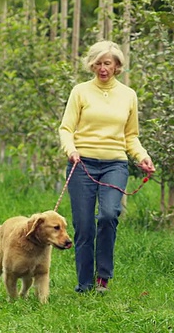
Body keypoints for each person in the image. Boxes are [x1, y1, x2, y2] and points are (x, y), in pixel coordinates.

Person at [58, 40, 155, 294]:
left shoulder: (128, 95)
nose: (103, 68)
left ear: (117, 66)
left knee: (110, 215)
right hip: (82, 164)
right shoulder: (80, 91)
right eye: (98, 63)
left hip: (115, 164)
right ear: (92, 65)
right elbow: (66, 128)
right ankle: (84, 284)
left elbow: (131, 135)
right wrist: (71, 150)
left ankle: (103, 277)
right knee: (84, 225)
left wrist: (142, 157)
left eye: (107, 63)